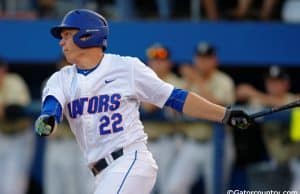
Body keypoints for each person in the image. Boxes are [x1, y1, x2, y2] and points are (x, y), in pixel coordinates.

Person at [34, 9, 251, 194]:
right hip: (100, 172)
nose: (61, 41)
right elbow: (52, 105)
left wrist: (225, 114)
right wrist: (48, 119)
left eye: (67, 34)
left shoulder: (126, 67)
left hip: (130, 161)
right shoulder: (61, 78)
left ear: (86, 36)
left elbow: (175, 98)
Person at [164, 42, 236, 194]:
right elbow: (170, 105)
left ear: (215, 60)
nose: (203, 62)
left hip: (217, 144)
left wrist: (197, 81)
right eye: (200, 57)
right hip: (191, 143)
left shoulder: (224, 81)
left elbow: (221, 109)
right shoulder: (186, 81)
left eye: (207, 58)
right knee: (173, 189)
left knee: (215, 190)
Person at [43, 57, 93, 194]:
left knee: (80, 189)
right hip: (57, 143)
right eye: (65, 64)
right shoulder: (50, 84)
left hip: (80, 145)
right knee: (53, 189)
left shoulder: (88, 83)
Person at [141, 43, 185, 193]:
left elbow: (148, 106)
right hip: (144, 144)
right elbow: (147, 107)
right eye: (154, 60)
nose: (157, 64)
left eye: (161, 60)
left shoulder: (177, 82)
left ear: (169, 63)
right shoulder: (142, 80)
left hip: (168, 142)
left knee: (168, 189)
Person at [0, 59, 34, 194]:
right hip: (2, 136)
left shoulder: (14, 81)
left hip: (20, 137)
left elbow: (13, 111)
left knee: (13, 187)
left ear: (4, 69)